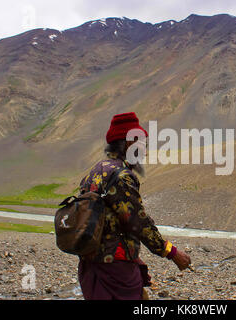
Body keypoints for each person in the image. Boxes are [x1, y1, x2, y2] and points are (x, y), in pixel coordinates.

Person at [77, 112, 191, 300]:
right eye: (142, 144)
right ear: (130, 144)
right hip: (115, 267)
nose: (144, 151)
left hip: (90, 263)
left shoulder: (95, 171)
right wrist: (172, 252)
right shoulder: (121, 176)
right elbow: (138, 223)